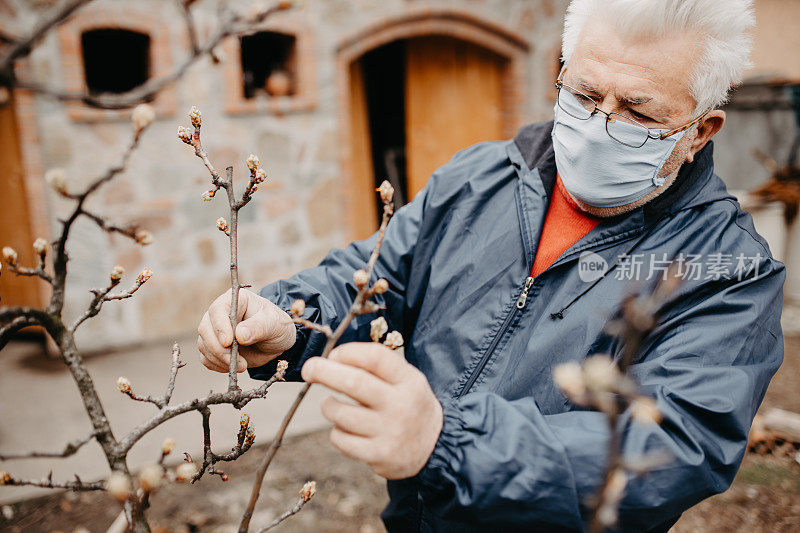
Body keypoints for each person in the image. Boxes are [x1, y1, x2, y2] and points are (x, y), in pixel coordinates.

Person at [197, 0, 784, 530]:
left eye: (637, 113)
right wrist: (289, 317)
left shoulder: (726, 269)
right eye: (583, 94)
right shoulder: (480, 179)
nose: (599, 127)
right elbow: (380, 276)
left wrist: (447, 441)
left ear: (700, 132)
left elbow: (672, 445)